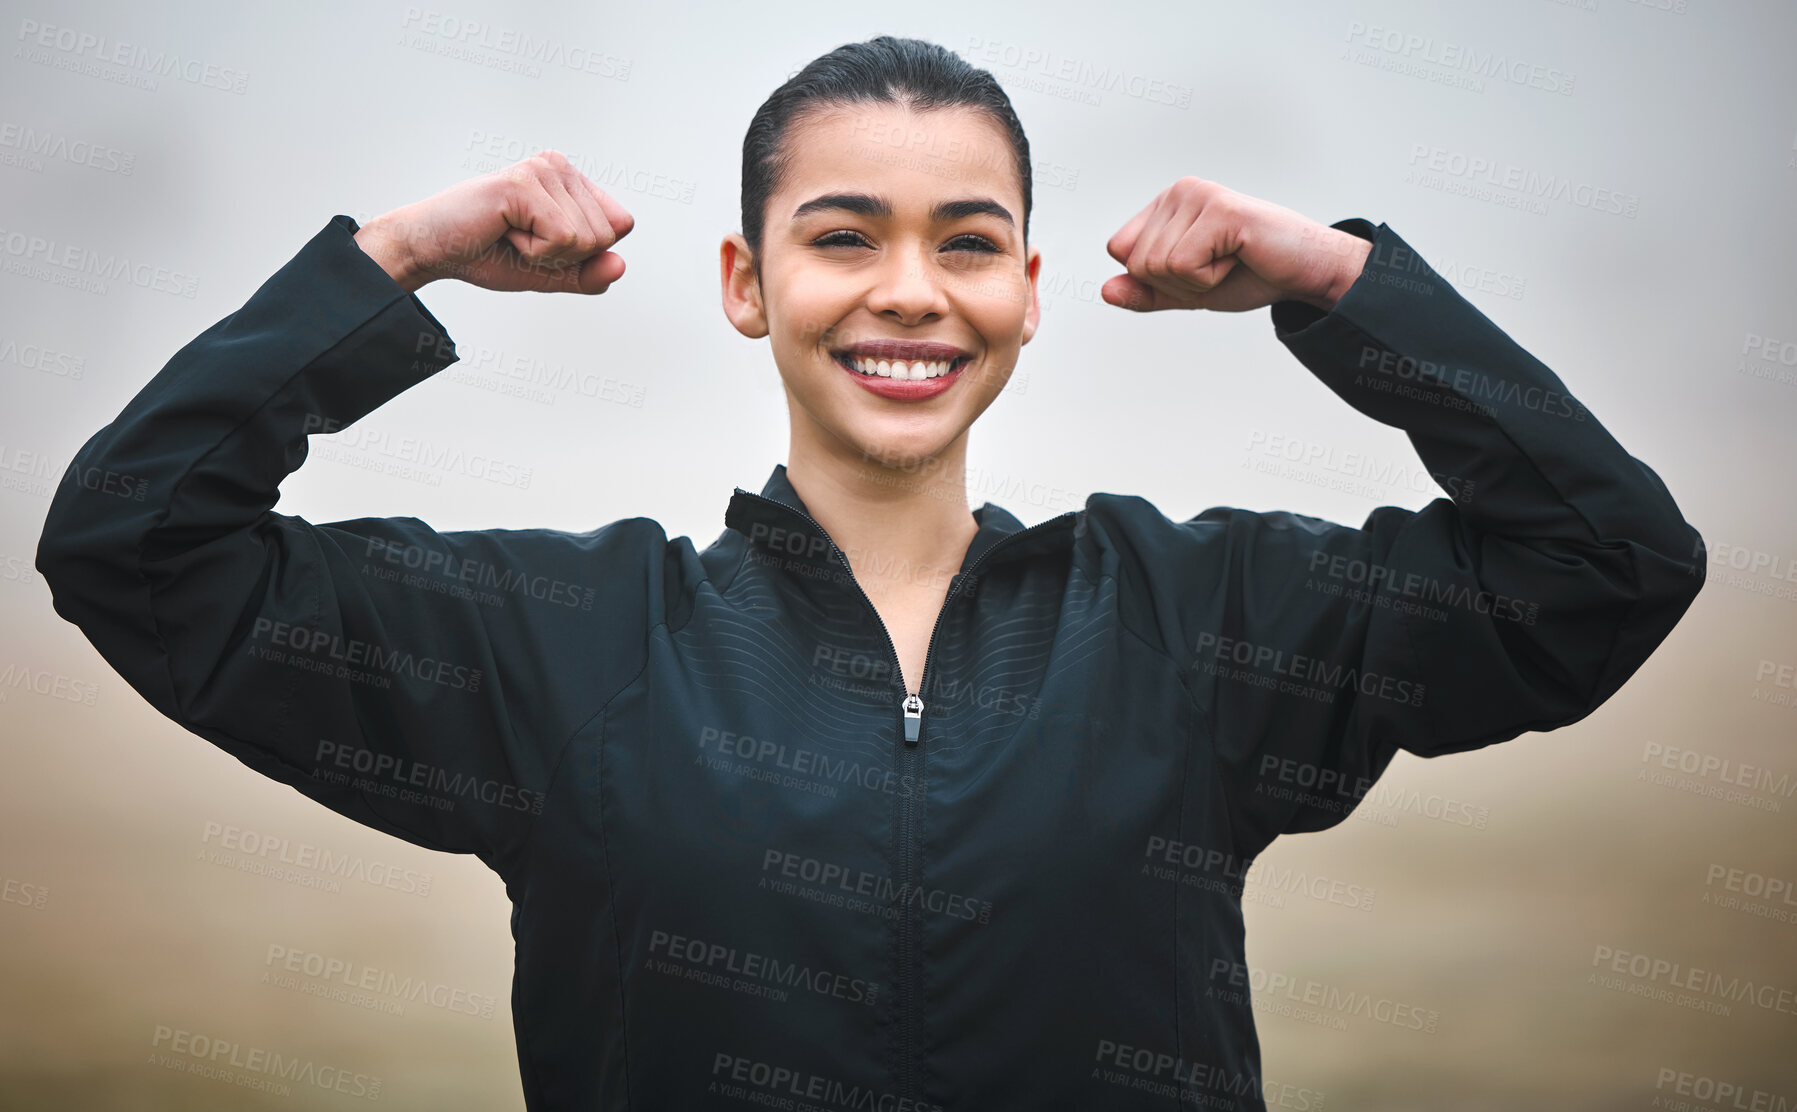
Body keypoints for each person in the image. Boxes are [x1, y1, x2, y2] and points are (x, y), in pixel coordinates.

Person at [36, 34, 1704, 1112]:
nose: (909, 291)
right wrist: (391, 260)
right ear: (746, 285)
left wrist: (1332, 279)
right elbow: (137, 547)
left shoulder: (1199, 626)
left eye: (966, 243)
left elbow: (1603, 564)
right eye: (841, 237)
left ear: (1030, 292)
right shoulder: (568, 644)